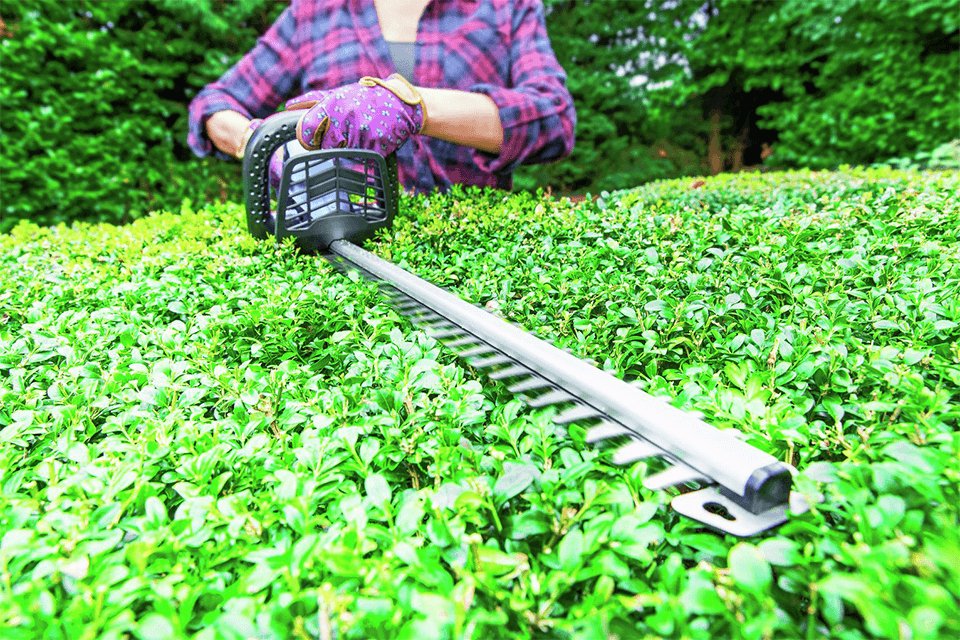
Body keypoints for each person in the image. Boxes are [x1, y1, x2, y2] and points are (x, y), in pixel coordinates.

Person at [187, 0, 576, 193]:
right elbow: (214, 103)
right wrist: (259, 141)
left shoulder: (505, 8)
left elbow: (554, 117)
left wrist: (414, 106)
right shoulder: (313, 14)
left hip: (477, 256)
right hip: (339, 255)